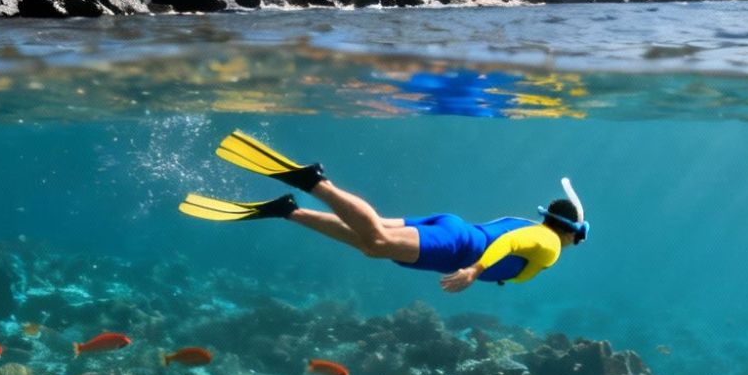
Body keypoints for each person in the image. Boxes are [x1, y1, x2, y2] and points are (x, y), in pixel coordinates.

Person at [178, 131, 587, 292]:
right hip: (457, 246)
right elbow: (512, 242)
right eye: (577, 238)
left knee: (369, 242)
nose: (574, 245)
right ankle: (313, 182)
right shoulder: (548, 244)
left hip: (453, 230)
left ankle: (289, 211)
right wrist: (476, 272)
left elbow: (513, 239)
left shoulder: (535, 226)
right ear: (570, 232)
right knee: (374, 240)